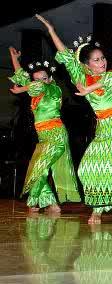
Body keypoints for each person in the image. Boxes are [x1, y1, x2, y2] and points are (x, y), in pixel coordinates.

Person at [36, 14, 112, 224]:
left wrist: (89, 88)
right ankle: (99, 206)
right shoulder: (80, 76)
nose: (103, 62)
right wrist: (51, 30)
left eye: (103, 58)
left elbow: (107, 81)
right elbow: (65, 55)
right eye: (97, 60)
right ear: (87, 64)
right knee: (89, 167)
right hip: (105, 127)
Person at [8, 46, 80, 213]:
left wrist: (21, 89)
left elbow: (35, 86)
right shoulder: (35, 93)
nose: (40, 82)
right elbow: (22, 77)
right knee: (37, 168)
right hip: (43, 137)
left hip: (56, 134)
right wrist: (15, 59)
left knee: (39, 167)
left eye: (44, 78)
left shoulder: (54, 89)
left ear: (49, 79)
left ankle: (34, 201)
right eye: (36, 79)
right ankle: (51, 203)